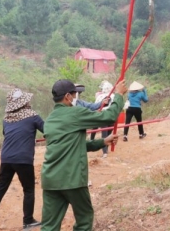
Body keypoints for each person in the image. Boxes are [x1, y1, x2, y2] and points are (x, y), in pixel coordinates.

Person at [40, 79, 126, 231]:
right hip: (72, 178)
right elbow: (109, 117)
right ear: (67, 96)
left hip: (51, 180)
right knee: (84, 220)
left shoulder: (49, 120)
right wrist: (118, 95)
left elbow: (71, 145)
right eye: (74, 95)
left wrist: (102, 141)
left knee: (49, 227)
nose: (75, 98)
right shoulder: (75, 113)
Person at [0, 88, 44, 230]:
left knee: (0, 187)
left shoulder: (6, 119)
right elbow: (47, 130)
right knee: (28, 189)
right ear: (24, 102)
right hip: (23, 158)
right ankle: (28, 221)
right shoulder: (32, 115)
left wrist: (28, 137)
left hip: (6, 158)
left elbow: (10, 134)